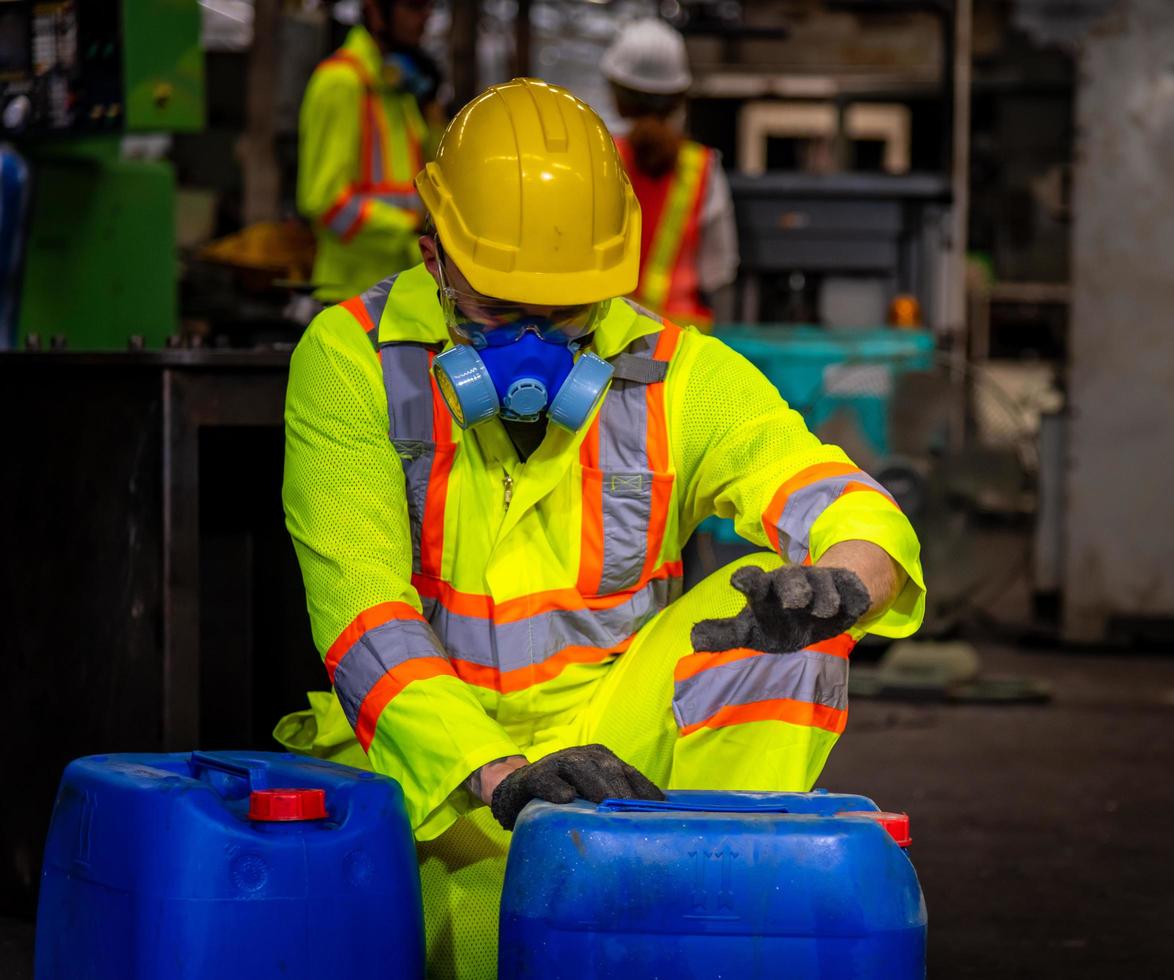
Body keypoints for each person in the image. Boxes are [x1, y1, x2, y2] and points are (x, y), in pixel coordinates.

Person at [274, 78, 925, 977]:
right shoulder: (351, 361)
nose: (536, 348)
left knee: (788, 642)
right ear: (433, 257)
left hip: (617, 770)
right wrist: (498, 775)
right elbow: (361, 609)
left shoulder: (673, 371)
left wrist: (848, 579)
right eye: (501, 312)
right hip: (425, 771)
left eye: (568, 314)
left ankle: (696, 917)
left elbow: (828, 488)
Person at [601, 19, 737, 330]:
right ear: (679, 97)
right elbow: (719, 271)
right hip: (682, 341)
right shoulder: (703, 168)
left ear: (618, 98)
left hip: (609, 336)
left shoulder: (600, 159)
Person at [297, 0, 434, 304]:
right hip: (350, 299)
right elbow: (324, 201)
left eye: (430, 6)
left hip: (399, 292)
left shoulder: (397, 89)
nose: (426, 17)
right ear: (375, 12)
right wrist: (409, 230)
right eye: (414, 6)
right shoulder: (341, 83)